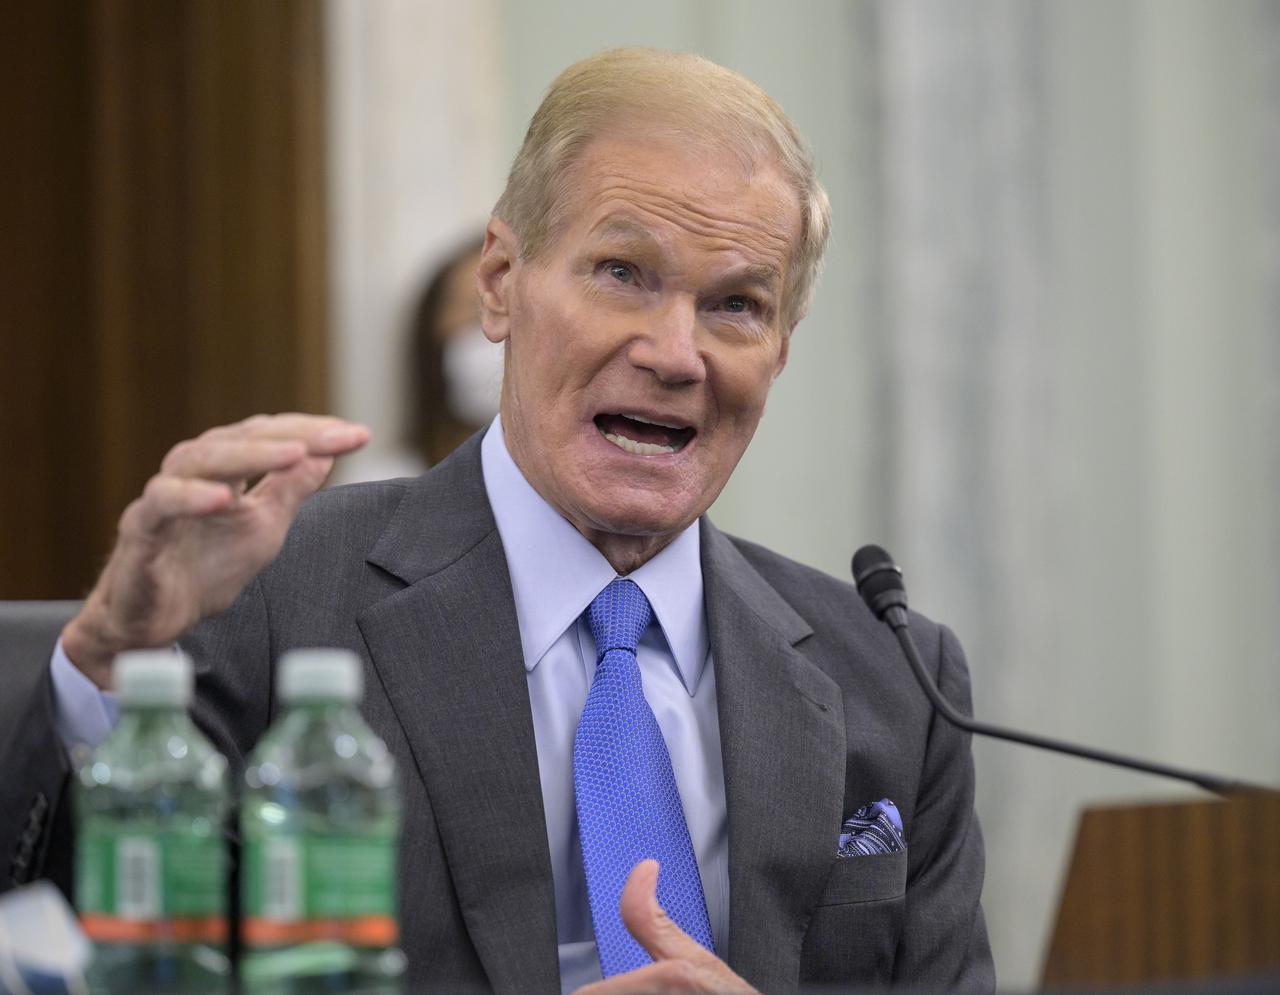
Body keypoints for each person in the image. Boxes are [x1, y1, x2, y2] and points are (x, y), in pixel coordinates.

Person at [2, 49, 994, 993]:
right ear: (499, 283)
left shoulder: (894, 682)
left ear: (779, 348)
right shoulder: (271, 591)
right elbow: (61, 940)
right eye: (621, 272)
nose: (675, 352)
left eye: (736, 303)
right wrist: (104, 665)